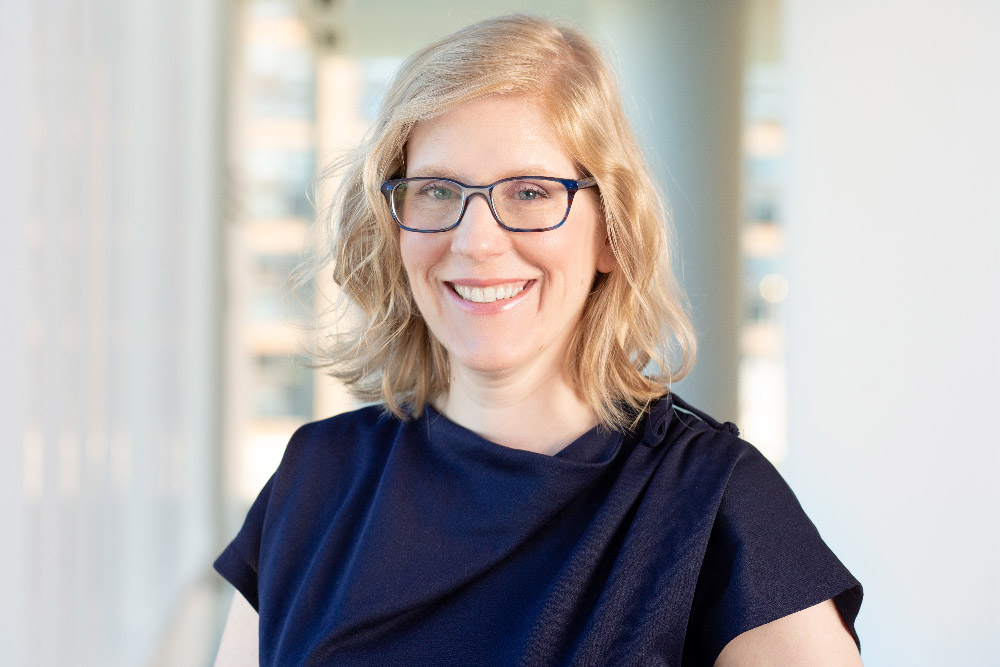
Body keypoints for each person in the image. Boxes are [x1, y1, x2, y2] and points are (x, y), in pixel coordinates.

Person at [213, 14, 863, 666]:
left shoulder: (716, 504)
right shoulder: (315, 480)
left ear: (612, 230)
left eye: (529, 191)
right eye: (438, 190)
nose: (476, 240)